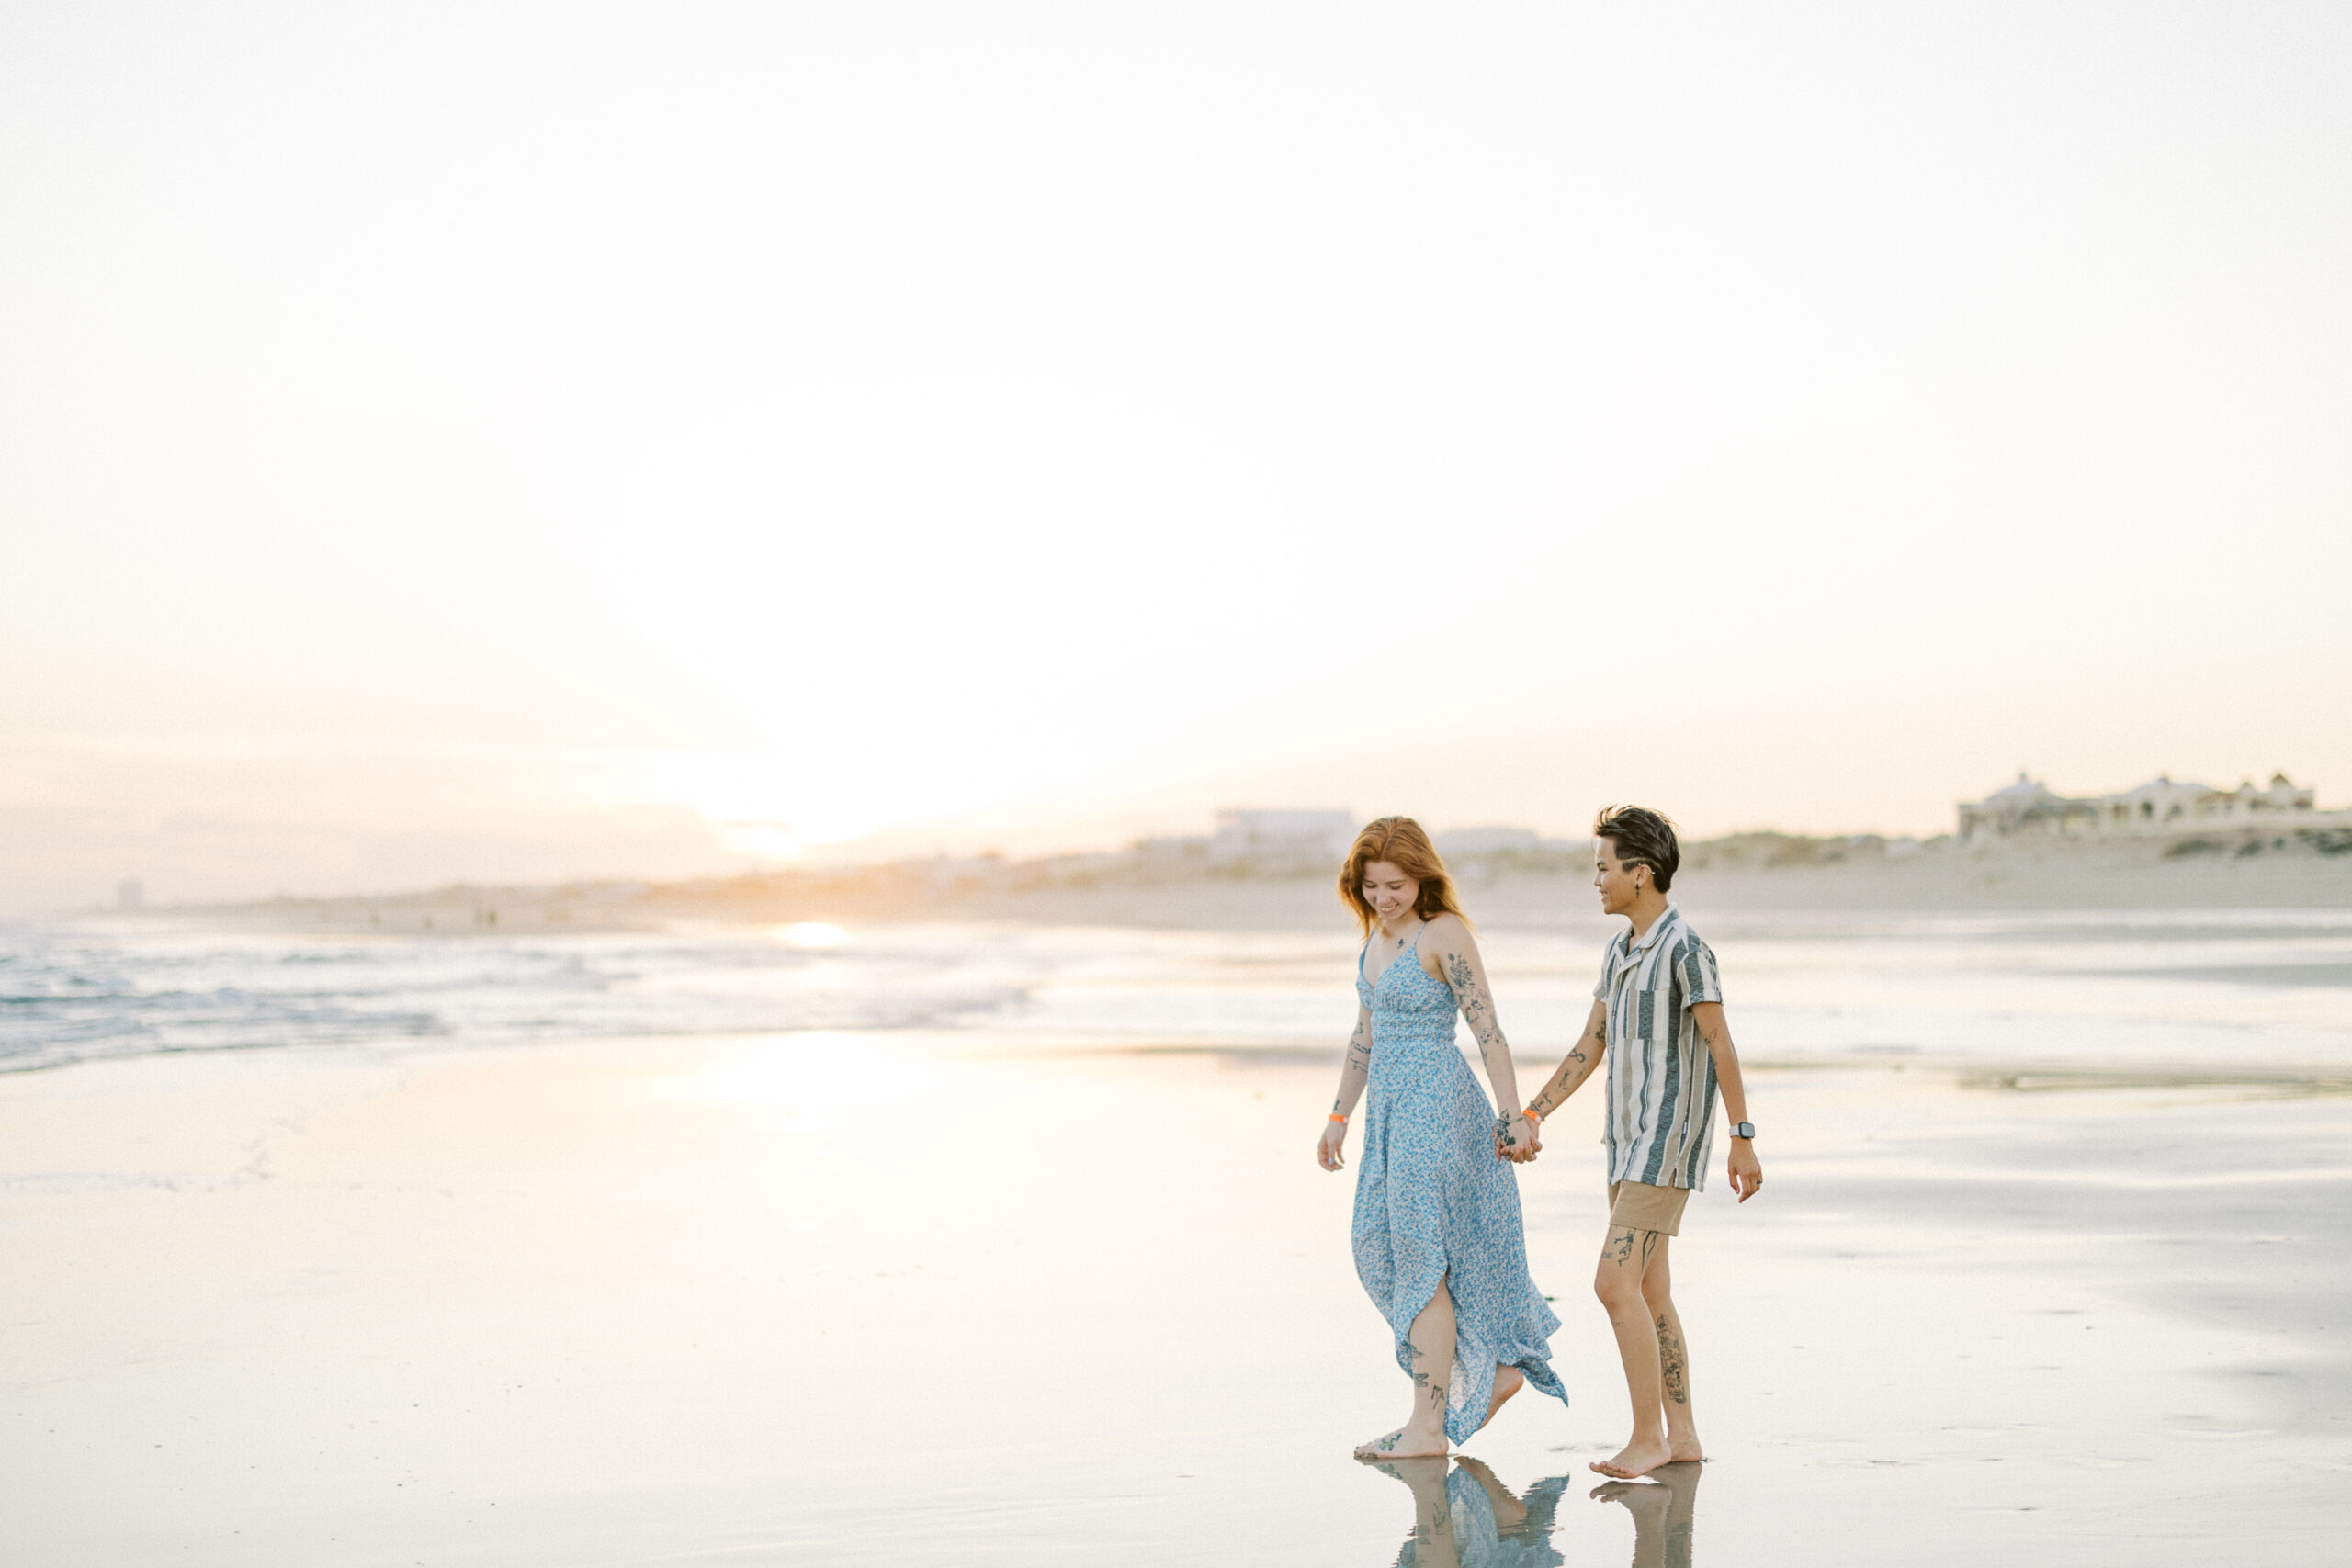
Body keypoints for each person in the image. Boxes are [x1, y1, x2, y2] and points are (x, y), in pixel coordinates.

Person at [1504, 806, 1761, 1480]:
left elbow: (1719, 1042)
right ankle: (1682, 1435)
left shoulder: (1686, 948)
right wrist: (1535, 1111)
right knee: (1649, 1293)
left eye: (1603, 867)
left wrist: (1741, 1137)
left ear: (1640, 873)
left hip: (1666, 1144)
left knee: (1611, 1282)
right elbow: (1592, 1044)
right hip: (1623, 1144)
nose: (1596, 880)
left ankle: (1646, 1436)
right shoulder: (1619, 950)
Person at [1317, 816, 1568, 1459]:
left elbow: (1488, 1029)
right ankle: (1476, 1388)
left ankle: (1426, 1425)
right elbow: (1361, 1038)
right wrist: (1338, 1115)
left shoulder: (1444, 933)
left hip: (1437, 1104)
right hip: (1388, 1115)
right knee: (1382, 1246)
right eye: (1371, 886)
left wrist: (1514, 1115)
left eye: (1395, 884)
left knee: (1424, 1257)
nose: (1384, 897)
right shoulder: (1374, 939)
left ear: (1422, 875)